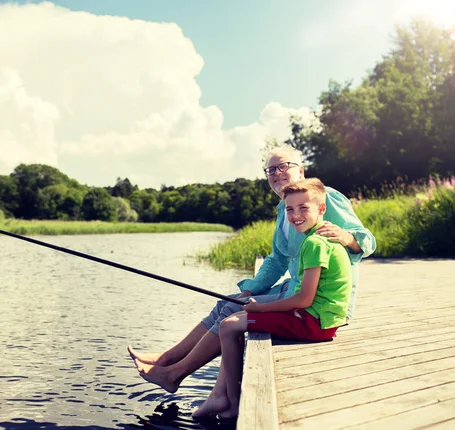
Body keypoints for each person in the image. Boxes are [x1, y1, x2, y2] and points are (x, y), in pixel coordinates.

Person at [128, 146, 376, 394]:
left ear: (300, 170)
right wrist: (249, 289)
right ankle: (167, 359)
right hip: (297, 288)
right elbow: (278, 260)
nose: (276, 173)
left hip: (321, 302)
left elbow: (368, 241)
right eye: (270, 170)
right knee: (228, 303)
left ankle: (174, 374)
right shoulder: (285, 210)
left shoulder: (324, 197)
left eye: (283, 166)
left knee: (232, 311)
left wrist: (346, 236)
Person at [192, 177, 352, 419]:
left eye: (303, 208)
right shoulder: (322, 238)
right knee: (234, 317)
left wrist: (261, 309)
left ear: (321, 209)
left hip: (313, 322)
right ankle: (224, 396)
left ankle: (231, 401)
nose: (295, 214)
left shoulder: (315, 244)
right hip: (322, 320)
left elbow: (304, 299)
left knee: (229, 326)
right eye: (289, 209)